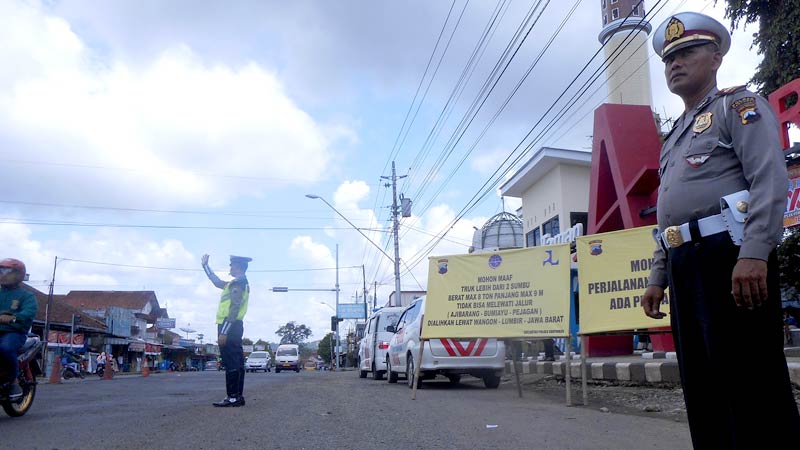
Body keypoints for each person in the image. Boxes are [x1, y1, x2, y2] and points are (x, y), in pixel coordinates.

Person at [643, 12, 800, 449]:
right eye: (669, 57)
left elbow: (769, 177)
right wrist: (658, 275)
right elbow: (668, 215)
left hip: (731, 255)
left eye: (687, 51)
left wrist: (754, 252)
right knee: (702, 384)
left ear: (715, 58)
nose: (675, 63)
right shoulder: (673, 137)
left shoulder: (739, 106)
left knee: (750, 380)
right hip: (683, 262)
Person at [202, 254, 251, 407]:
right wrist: (206, 266)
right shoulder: (235, 283)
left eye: (232, 265)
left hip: (230, 325)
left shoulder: (238, 283)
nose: (230, 268)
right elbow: (217, 282)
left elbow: (234, 308)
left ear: (239, 267)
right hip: (234, 326)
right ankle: (237, 396)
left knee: (231, 362)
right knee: (236, 361)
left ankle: (232, 397)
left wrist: (224, 331)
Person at [0, 258, 38, 400]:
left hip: (14, 332)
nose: (3, 274)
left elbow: (29, 312)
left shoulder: (26, 296)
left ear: (19, 274)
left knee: (5, 348)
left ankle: (13, 380)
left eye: (7, 271)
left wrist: (13, 317)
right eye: (1, 270)